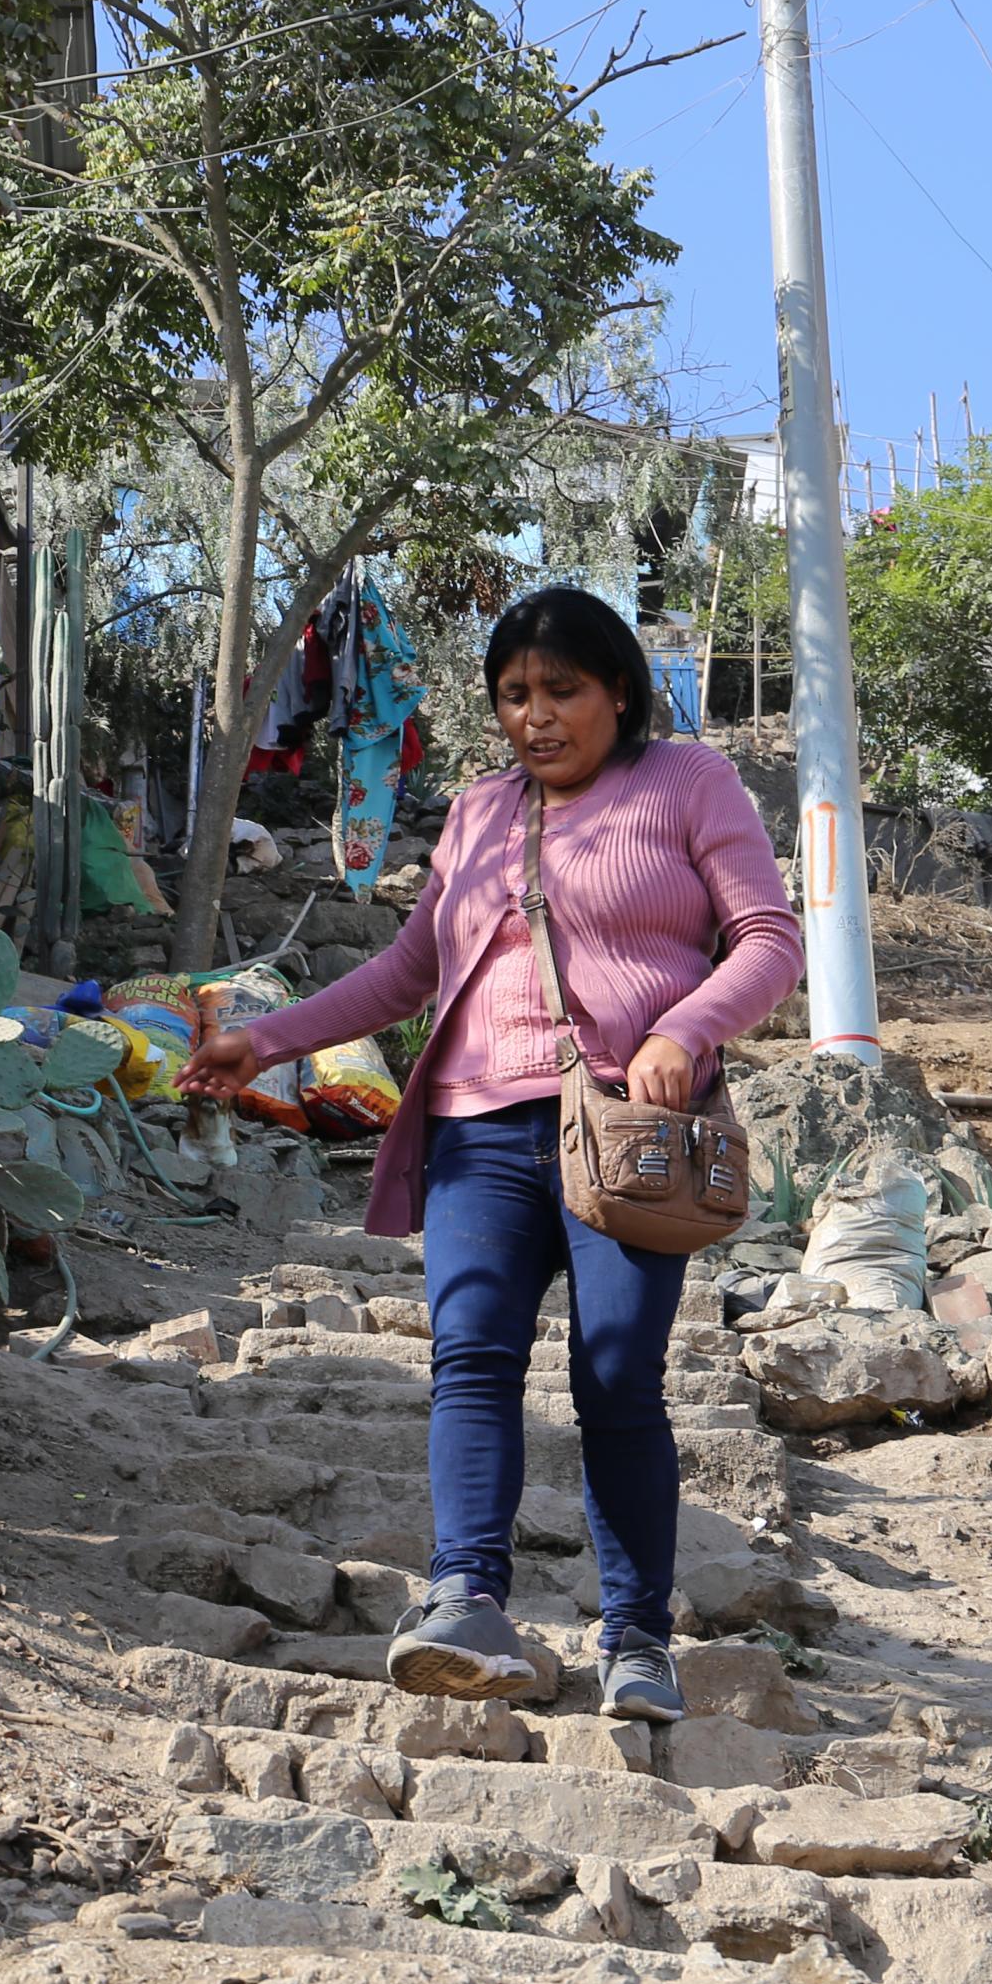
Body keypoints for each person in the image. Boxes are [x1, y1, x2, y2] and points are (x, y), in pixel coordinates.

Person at [180, 587, 800, 1722]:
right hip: (476, 1129)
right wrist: (263, 1041)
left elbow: (769, 938)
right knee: (471, 1354)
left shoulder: (690, 785)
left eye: (562, 690)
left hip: (625, 1129)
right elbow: (409, 970)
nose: (537, 717)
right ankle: (467, 1599)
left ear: (619, 689)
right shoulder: (476, 814)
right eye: (515, 695)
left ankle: (637, 1641)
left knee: (617, 1378)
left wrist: (683, 1030)